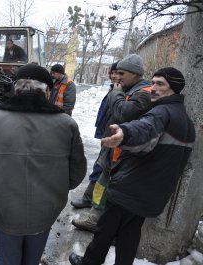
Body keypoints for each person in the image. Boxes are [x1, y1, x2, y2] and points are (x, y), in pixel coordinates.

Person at [69, 67, 196, 265]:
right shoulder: (186, 121)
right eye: (152, 82)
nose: (153, 88)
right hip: (152, 193)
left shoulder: (162, 112)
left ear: (174, 88)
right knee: (129, 234)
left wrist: (124, 134)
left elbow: (144, 128)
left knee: (105, 229)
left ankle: (89, 262)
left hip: (130, 188)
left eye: (160, 84)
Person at [0, 63, 87, 265]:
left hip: (5, 210)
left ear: (15, 89)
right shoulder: (67, 125)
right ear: (47, 91)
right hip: (45, 211)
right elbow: (76, 174)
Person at [71, 54, 152, 233]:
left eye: (122, 73)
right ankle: (95, 213)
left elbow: (123, 113)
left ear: (135, 74)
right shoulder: (129, 89)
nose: (118, 76)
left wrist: (116, 93)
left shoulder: (143, 93)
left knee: (111, 187)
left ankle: (100, 220)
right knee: (102, 182)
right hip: (112, 151)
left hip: (123, 156)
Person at [70, 61, 120, 209]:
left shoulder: (120, 93)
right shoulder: (114, 90)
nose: (114, 76)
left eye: (118, 73)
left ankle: (93, 202)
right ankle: (92, 201)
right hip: (107, 137)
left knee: (101, 172)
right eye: (112, 72)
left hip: (113, 140)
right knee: (100, 171)